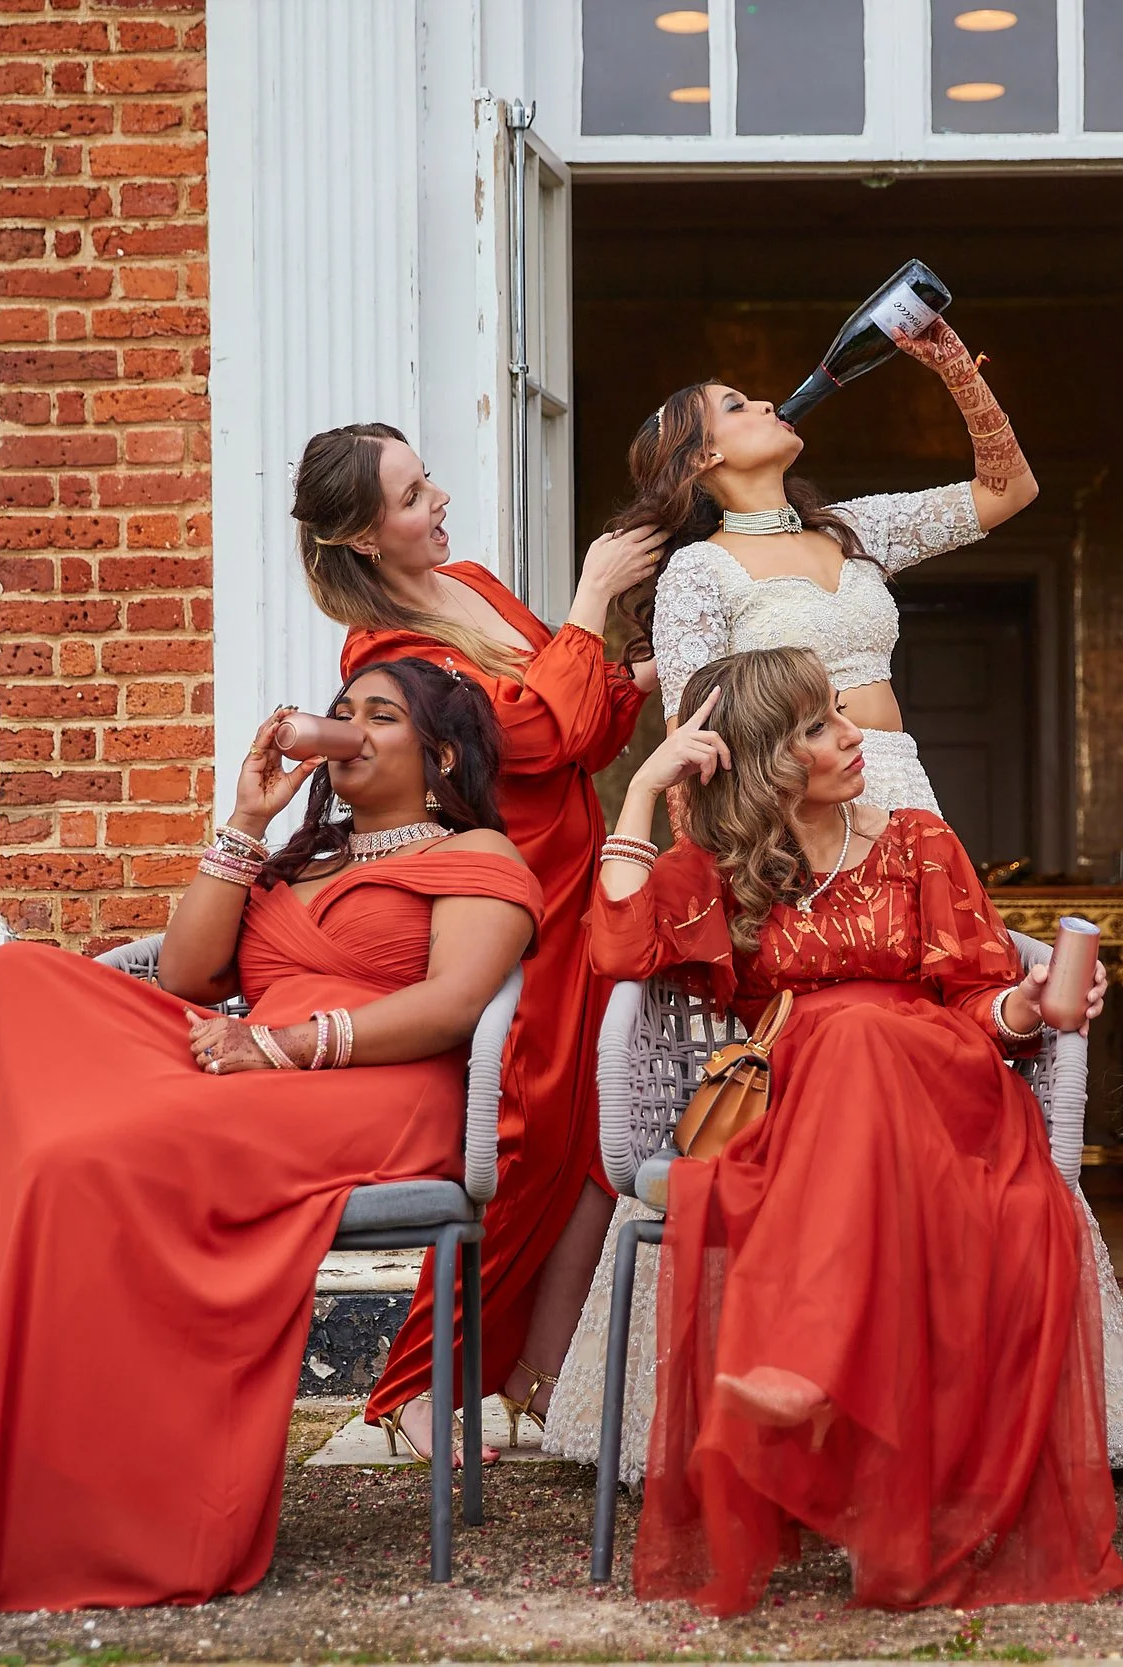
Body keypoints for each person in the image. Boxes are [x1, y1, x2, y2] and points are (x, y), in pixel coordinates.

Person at [0, 660, 543, 1611]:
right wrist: (248, 823)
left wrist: (280, 1046)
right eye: (340, 710)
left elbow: (452, 1008)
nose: (347, 727)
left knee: (76, 1164)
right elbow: (190, 974)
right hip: (238, 1066)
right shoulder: (305, 857)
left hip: (372, 1088)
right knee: (13, 980)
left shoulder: (480, 855)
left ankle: (63, 1526)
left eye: (380, 715)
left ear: (440, 752)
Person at [585, 647, 1123, 1615]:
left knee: (866, 1029)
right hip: (811, 1107)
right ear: (757, 759)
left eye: (841, 714)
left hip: (945, 1092)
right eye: (815, 727)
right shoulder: (718, 870)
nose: (852, 737)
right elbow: (618, 947)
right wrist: (644, 788)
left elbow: (973, 997)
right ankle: (854, 1442)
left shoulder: (917, 837)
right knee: (842, 1038)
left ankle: (805, 1363)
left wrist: (1030, 1006)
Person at [298, 423, 659, 1463]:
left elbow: (581, 723)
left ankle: (542, 1376)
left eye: (426, 480)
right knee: (517, 1139)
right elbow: (534, 738)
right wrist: (590, 599)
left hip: (583, 888)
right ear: (366, 536)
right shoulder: (387, 655)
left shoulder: (473, 582)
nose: (438, 499)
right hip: (513, 903)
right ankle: (416, 1387)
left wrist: (631, 664)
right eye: (413, 495)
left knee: (596, 1137)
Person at [619, 312, 1034, 816]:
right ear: (702, 457)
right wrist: (708, 885)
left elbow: (1009, 491)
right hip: (793, 813)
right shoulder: (700, 570)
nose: (767, 404)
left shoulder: (850, 527)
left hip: (904, 790)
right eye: (737, 406)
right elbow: (689, 753)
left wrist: (960, 375)